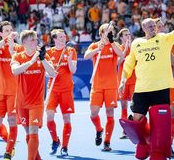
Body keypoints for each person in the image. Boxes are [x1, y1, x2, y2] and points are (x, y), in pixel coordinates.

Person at [118, 3, 174, 159]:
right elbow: (129, 63)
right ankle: (145, 143)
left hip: (161, 88)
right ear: (143, 28)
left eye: (153, 25)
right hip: (141, 90)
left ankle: (158, 151)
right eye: (149, 26)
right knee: (137, 121)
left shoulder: (165, 39)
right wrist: (123, 79)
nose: (153, 28)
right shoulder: (137, 43)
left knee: (160, 122)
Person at [11, 30, 56, 160]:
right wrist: (31, 62)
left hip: (36, 102)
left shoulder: (43, 57)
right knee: (29, 134)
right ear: (24, 42)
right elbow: (15, 71)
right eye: (32, 39)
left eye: (36, 39)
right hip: (21, 102)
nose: (36, 41)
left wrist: (42, 60)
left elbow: (52, 73)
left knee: (34, 132)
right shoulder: (17, 56)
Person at [84, 23, 123, 151]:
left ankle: (107, 141)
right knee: (93, 113)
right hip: (97, 85)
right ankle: (99, 129)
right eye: (108, 32)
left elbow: (121, 54)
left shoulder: (114, 45)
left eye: (112, 31)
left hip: (111, 85)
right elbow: (86, 56)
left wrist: (111, 42)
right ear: (101, 33)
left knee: (109, 113)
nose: (110, 33)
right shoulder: (95, 45)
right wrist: (97, 50)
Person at [0, 21, 23, 159]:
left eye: (11, 30)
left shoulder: (19, 48)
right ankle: (11, 142)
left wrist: (11, 47)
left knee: (12, 121)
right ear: (1, 34)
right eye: (6, 31)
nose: (9, 33)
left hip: (14, 91)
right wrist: (4, 42)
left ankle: (8, 152)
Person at [45, 29, 77, 156]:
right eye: (60, 37)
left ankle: (65, 146)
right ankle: (55, 140)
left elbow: (73, 70)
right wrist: (51, 73)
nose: (63, 38)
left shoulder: (71, 51)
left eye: (64, 36)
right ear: (54, 39)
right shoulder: (49, 52)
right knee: (49, 116)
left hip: (66, 90)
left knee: (66, 118)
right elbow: (46, 72)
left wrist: (69, 60)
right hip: (52, 89)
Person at [153, 18, 174, 157]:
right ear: (154, 29)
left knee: (172, 114)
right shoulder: (148, 43)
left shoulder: (170, 42)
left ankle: (169, 144)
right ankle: (155, 144)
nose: (161, 28)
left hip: (169, 83)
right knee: (156, 116)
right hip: (155, 84)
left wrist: (167, 49)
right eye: (159, 26)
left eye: (163, 26)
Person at [116, 28, 136, 139]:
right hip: (122, 81)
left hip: (134, 80)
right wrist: (126, 49)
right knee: (123, 106)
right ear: (121, 37)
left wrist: (131, 47)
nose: (128, 36)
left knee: (135, 105)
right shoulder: (119, 48)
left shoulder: (135, 47)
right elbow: (118, 62)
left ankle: (134, 129)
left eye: (129, 34)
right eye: (125, 35)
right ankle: (125, 130)